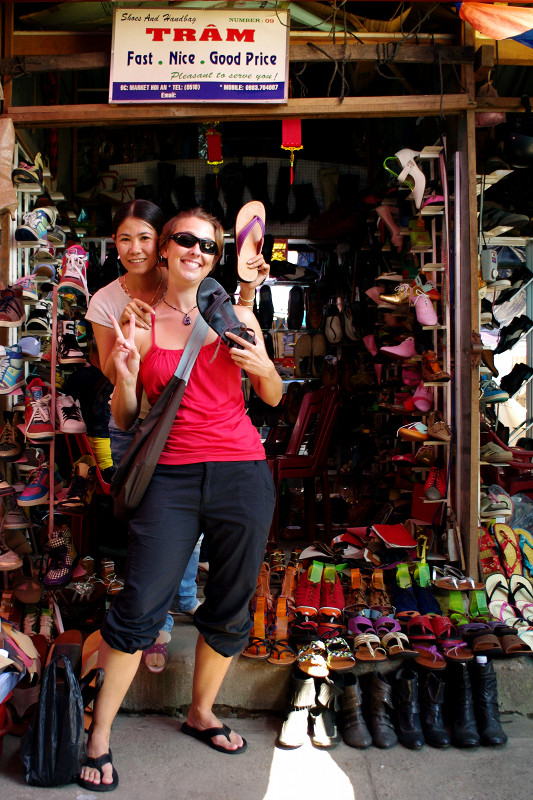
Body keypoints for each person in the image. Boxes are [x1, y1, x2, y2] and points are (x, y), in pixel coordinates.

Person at [78, 207, 280, 790]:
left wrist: (265, 366)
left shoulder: (239, 315)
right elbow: (127, 415)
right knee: (142, 602)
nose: (196, 251)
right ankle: (99, 736)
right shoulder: (138, 321)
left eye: (209, 246)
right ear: (163, 251)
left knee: (232, 598)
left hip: (241, 470)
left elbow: (268, 398)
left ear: (217, 259)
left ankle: (201, 712)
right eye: (185, 241)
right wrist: (122, 374)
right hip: (169, 477)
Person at [85, 199, 196, 672]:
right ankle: (153, 613)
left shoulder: (183, 285)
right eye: (126, 238)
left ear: (162, 243)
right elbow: (114, 372)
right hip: (133, 420)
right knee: (148, 522)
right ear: (115, 243)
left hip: (182, 417)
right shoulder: (105, 300)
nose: (135, 249)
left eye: (145, 238)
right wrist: (129, 326)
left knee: (188, 518)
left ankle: (181, 597)